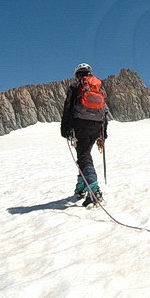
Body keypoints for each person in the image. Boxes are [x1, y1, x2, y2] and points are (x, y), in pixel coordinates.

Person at [61, 63, 108, 206]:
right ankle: (81, 188)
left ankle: (94, 191)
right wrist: (103, 131)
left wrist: (65, 129)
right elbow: (105, 110)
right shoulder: (99, 87)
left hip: (80, 125)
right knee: (84, 154)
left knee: (83, 156)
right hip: (97, 126)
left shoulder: (75, 87)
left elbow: (68, 108)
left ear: (77, 75)